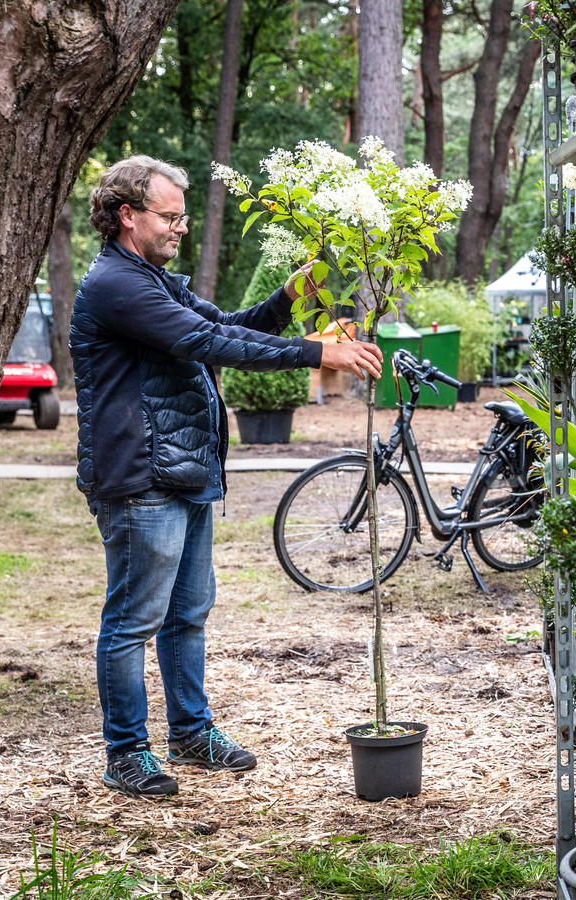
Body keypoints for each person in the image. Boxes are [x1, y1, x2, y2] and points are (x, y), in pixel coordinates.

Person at [71, 156, 383, 798]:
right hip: (140, 478)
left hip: (183, 472)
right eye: (171, 215)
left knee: (188, 614)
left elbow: (227, 328)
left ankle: (190, 733)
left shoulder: (155, 281)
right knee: (134, 621)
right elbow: (206, 345)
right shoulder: (115, 285)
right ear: (128, 216)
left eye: (184, 215)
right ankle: (126, 752)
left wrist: (288, 299)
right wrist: (316, 352)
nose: (181, 226)